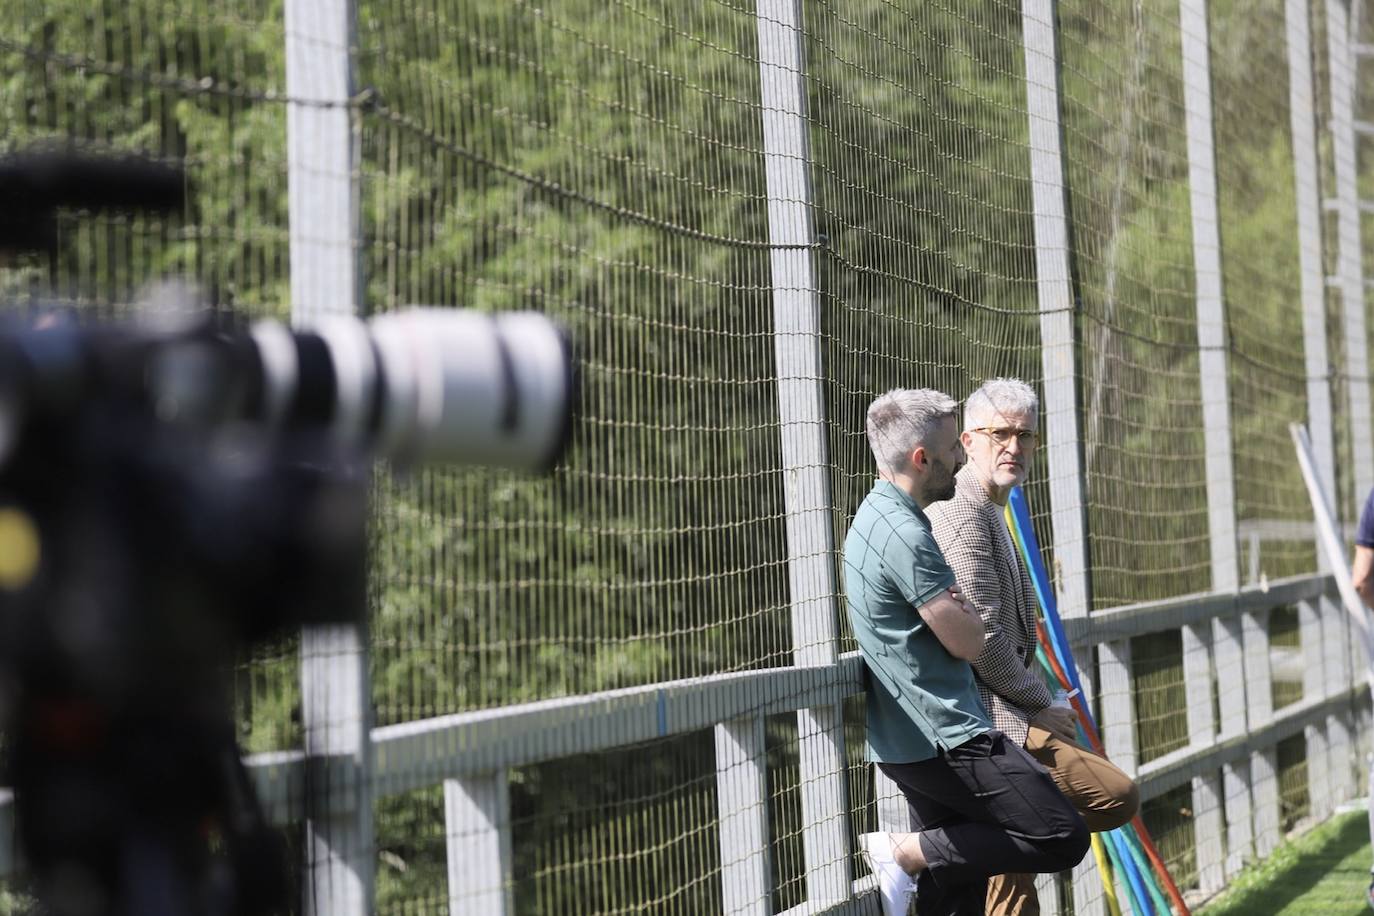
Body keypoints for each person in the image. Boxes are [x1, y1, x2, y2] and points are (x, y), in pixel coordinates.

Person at [844, 387, 1089, 916]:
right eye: (954, 447)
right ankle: (904, 853)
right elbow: (970, 639)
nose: (961, 457)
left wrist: (962, 611)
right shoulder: (906, 532)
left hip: (916, 739)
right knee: (1062, 835)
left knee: (953, 898)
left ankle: (919, 859)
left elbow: (961, 623)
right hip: (950, 735)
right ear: (921, 457)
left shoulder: (878, 514)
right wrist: (965, 615)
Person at [925, 378, 1139, 916]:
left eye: (1025, 435)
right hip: (986, 722)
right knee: (1112, 796)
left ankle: (964, 837)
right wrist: (1040, 701)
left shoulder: (989, 506)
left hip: (1003, 719)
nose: (1014, 447)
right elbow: (984, 638)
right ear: (966, 441)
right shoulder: (960, 510)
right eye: (1000, 433)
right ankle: (925, 851)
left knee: (1014, 884)